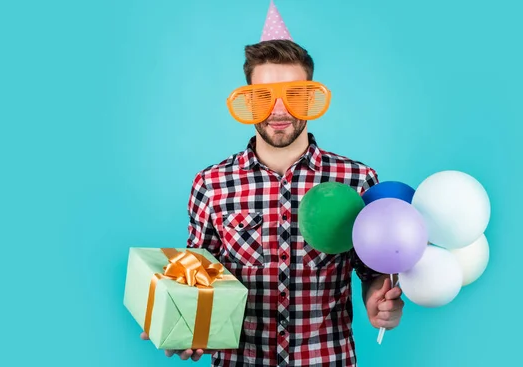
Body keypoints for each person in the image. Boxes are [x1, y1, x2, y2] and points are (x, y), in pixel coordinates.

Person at [141, 4, 404, 366]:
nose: (278, 111)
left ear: (311, 98)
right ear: (248, 99)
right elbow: (196, 282)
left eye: (294, 95)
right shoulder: (211, 184)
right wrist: (180, 325)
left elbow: (372, 271)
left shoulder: (357, 181)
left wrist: (379, 300)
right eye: (263, 97)